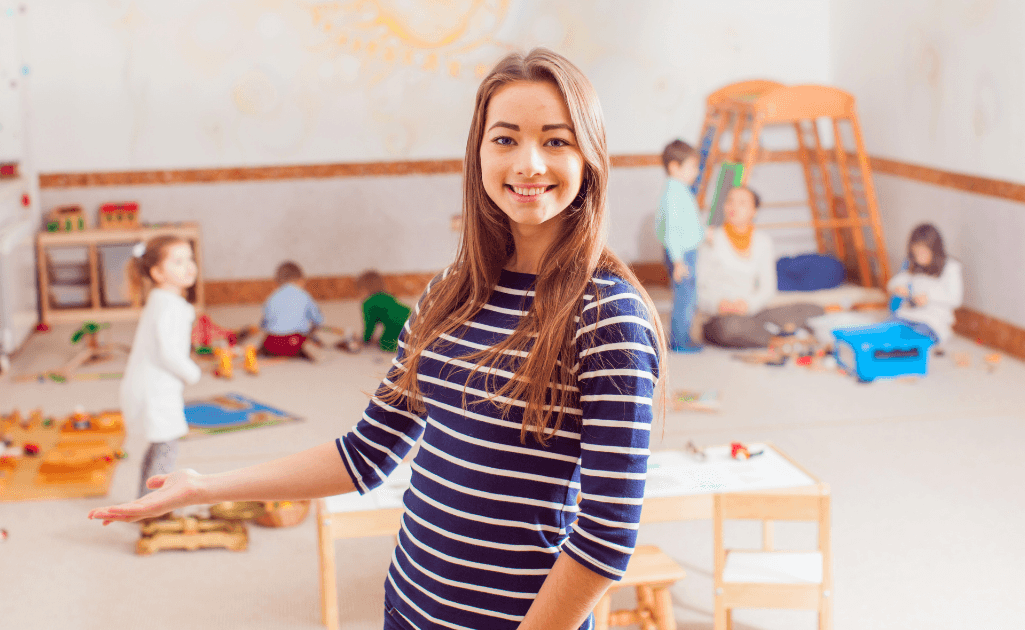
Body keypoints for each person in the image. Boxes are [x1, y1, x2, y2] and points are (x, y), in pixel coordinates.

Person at [90, 48, 665, 630]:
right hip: (406, 610)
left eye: (557, 141)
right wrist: (203, 487)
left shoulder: (607, 316)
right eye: (506, 139)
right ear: (478, 153)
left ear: (590, 155)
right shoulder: (450, 294)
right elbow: (366, 453)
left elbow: (606, 536)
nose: (529, 163)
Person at [121, 235, 201, 500]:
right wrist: (192, 372)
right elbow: (169, 352)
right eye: (178, 262)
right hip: (155, 392)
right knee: (166, 449)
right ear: (157, 273)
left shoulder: (162, 301)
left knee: (159, 447)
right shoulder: (169, 306)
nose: (188, 266)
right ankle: (155, 508)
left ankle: (145, 500)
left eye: (190, 259)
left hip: (153, 387)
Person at [699, 186, 822, 348]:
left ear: (754, 211)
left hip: (752, 313)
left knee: (814, 310)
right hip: (722, 316)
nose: (734, 207)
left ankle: (769, 335)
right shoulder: (711, 238)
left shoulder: (763, 241)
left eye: (742, 203)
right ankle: (782, 337)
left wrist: (747, 305)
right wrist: (718, 304)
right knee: (730, 327)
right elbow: (697, 286)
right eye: (730, 201)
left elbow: (768, 288)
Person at [655, 139, 704, 352]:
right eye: (692, 167)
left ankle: (682, 337)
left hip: (685, 252)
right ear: (675, 167)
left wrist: (703, 233)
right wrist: (677, 261)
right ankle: (680, 340)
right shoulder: (674, 194)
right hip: (681, 255)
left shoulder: (680, 190)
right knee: (685, 297)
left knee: (688, 295)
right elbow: (673, 231)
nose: (696, 172)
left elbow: (687, 223)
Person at [887, 223, 963, 346]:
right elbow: (895, 282)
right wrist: (898, 288)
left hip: (934, 318)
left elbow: (956, 299)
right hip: (910, 314)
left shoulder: (951, 267)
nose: (919, 257)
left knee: (916, 339)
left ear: (934, 250)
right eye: (916, 253)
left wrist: (928, 297)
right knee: (890, 330)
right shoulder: (914, 267)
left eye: (923, 253)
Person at [258, 261, 325, 361]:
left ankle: (261, 351)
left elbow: (264, 322)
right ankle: (307, 346)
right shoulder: (305, 295)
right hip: (293, 341)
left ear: (277, 282)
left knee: (266, 342)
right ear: (301, 280)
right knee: (304, 336)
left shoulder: (271, 297)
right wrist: (316, 326)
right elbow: (318, 319)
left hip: (272, 343)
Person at [357, 269, 411, 352]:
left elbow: (369, 326)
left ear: (364, 289)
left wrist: (365, 340)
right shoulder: (387, 295)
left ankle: (404, 348)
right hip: (410, 315)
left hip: (396, 323)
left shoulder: (367, 303)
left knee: (385, 344)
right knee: (406, 335)